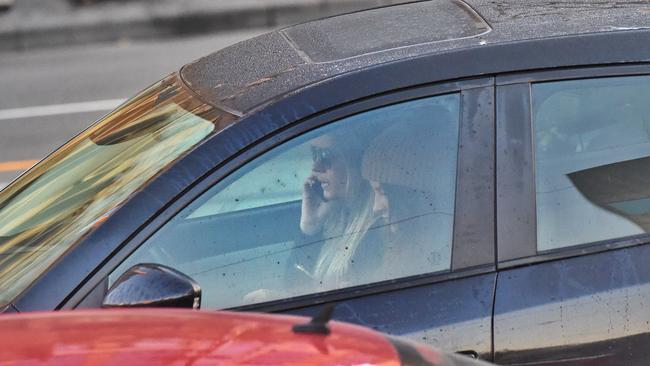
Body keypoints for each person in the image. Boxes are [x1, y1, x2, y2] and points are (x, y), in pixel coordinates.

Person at [361, 107, 456, 277]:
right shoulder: (399, 243)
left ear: (411, 196)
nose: (375, 207)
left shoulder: (426, 262)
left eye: (382, 192)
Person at [297, 127, 381, 288]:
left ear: (356, 162)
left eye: (326, 156)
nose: (316, 167)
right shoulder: (335, 217)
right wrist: (310, 227)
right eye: (315, 154)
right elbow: (293, 284)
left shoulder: (375, 233)